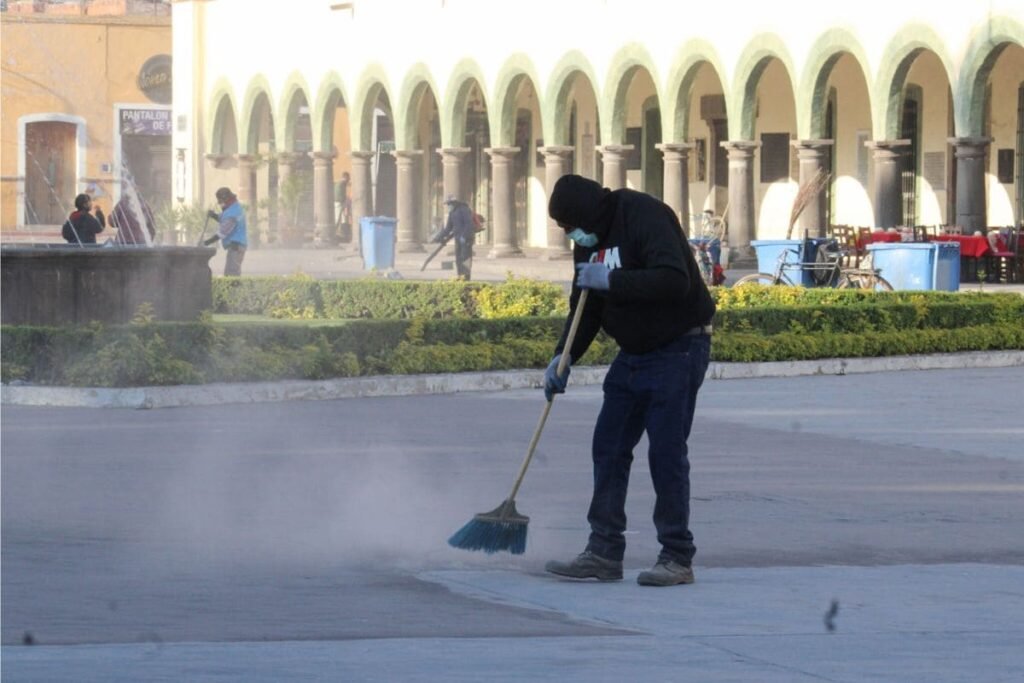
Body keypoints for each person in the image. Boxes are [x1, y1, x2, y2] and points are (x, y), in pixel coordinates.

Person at [542, 174, 716, 587]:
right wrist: (563, 356)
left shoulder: (644, 215)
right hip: (633, 353)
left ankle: (676, 556)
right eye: (565, 230)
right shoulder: (587, 243)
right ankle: (603, 551)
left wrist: (613, 280)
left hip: (679, 346)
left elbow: (676, 280)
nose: (571, 235)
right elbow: (584, 306)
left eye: (571, 226)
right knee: (609, 446)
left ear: (587, 212)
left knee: (666, 453)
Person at [204, 187, 248, 276]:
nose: (220, 204)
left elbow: (222, 233)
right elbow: (224, 219)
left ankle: (234, 289)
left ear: (226, 200)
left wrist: (206, 243)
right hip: (238, 244)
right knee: (232, 272)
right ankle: (234, 288)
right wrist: (214, 215)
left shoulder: (232, 213)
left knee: (231, 273)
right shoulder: (234, 207)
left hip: (236, 246)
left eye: (220, 201)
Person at [441, 194, 476, 280]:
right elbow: (448, 228)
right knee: (458, 259)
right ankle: (460, 276)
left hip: (466, 239)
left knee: (466, 259)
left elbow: (469, 224)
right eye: (447, 204)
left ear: (454, 203)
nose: (448, 206)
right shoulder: (452, 213)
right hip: (458, 239)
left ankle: (466, 278)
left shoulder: (463, 210)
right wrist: (440, 237)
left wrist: (464, 236)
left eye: (449, 204)